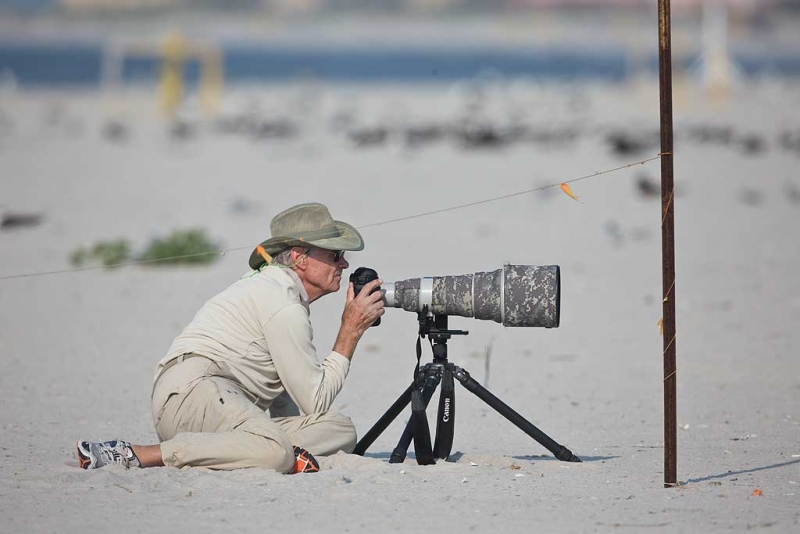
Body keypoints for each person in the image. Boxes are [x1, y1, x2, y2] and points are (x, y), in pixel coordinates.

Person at [77, 202, 385, 474]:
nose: (343, 264)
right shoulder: (282, 303)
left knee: (340, 430)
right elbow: (315, 399)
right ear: (299, 258)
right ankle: (140, 454)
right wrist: (351, 330)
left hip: (211, 400)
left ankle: (253, 450)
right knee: (277, 451)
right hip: (193, 393)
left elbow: (290, 403)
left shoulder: (280, 293)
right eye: (335, 254)